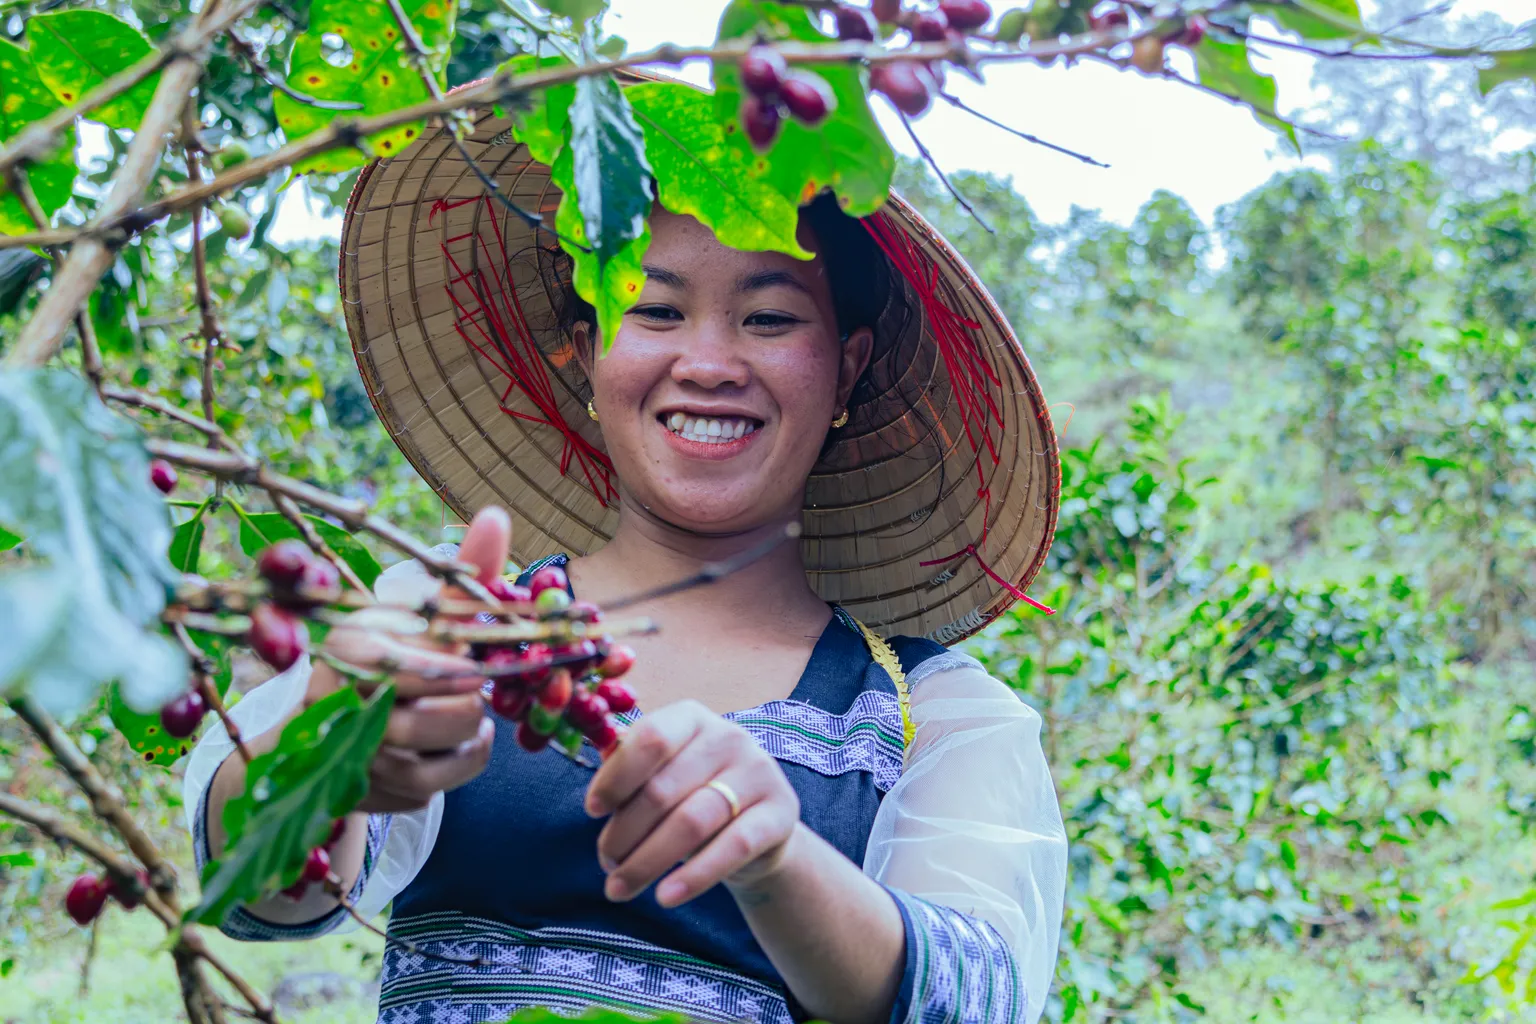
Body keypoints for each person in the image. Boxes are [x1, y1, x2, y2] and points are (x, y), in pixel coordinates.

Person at [184, 91, 1069, 1024]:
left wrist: (776, 858)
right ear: (584, 350)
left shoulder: (933, 715)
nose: (709, 362)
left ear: (847, 367)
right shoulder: (448, 627)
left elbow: (971, 999)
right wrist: (334, 743)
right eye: (651, 308)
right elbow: (260, 896)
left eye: (769, 318)